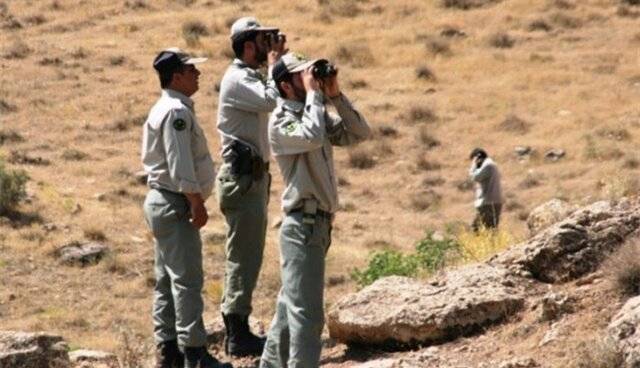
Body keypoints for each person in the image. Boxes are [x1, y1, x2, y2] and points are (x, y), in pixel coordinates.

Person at [260, 53, 371, 368]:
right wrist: (313, 96)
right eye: (300, 75)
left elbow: (359, 134)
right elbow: (309, 137)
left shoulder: (315, 111)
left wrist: (335, 95)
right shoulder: (281, 120)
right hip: (302, 224)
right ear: (286, 84)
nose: (309, 77)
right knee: (307, 316)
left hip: (318, 224)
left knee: (290, 306)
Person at [142, 47, 231, 368]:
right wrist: (196, 201)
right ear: (177, 76)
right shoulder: (176, 112)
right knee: (187, 281)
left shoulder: (165, 107)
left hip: (162, 200)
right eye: (191, 69)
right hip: (176, 201)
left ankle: (169, 352)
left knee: (166, 280)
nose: (197, 74)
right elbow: (180, 163)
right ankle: (195, 353)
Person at [215, 16, 287, 357]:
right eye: (261, 41)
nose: (267, 46)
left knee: (250, 254)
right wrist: (275, 64)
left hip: (252, 179)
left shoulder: (249, 77)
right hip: (242, 181)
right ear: (247, 45)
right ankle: (237, 333)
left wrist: (276, 62)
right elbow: (273, 100)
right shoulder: (237, 80)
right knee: (243, 256)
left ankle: (239, 327)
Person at [468, 148, 503, 232]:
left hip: (488, 203)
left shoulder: (488, 165)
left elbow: (475, 177)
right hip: (492, 202)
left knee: (477, 229)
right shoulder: (491, 165)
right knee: (490, 229)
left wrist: (473, 164)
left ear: (478, 157)